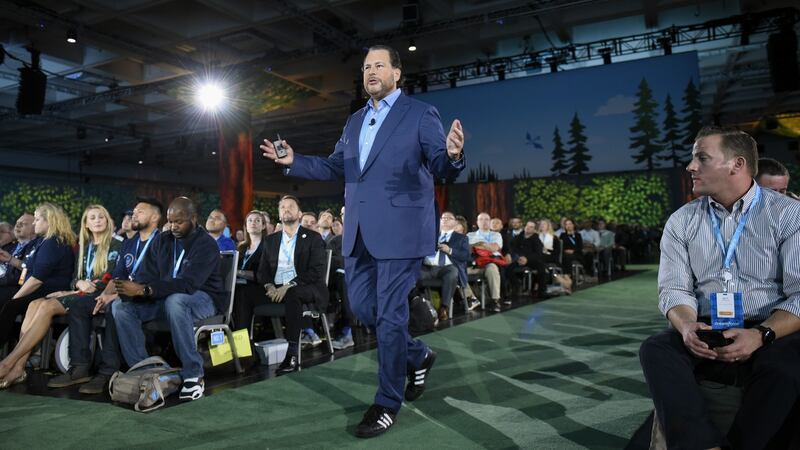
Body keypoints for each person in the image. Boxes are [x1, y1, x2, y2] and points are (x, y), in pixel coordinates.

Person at [260, 44, 465, 438]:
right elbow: (337, 166)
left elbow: (440, 163)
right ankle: (418, 355)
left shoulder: (421, 114)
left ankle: (387, 401)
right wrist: (295, 161)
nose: (371, 71)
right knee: (365, 310)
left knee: (389, 315)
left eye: (379, 65)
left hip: (401, 232)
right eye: (366, 66)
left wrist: (453, 155)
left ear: (396, 74)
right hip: (357, 233)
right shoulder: (354, 121)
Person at [639, 126, 800, 449]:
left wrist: (761, 335)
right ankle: (702, 444)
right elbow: (673, 289)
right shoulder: (681, 221)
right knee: (657, 350)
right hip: (707, 324)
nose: (690, 166)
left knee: (783, 367)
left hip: (772, 326)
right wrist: (686, 327)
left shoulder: (787, 214)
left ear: (736, 165)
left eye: (701, 157)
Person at [112, 197, 223, 401]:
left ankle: (193, 373)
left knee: (176, 300)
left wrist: (145, 290)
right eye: (170, 221)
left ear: (193, 218)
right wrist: (133, 289)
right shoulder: (163, 240)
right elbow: (146, 274)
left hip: (203, 299)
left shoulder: (205, 244)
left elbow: (188, 284)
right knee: (121, 307)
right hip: (165, 298)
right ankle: (145, 370)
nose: (173, 226)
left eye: (179, 222)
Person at [0, 205, 121, 391]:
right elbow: (75, 279)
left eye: (101, 217)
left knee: (46, 306)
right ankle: (18, 367)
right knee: (35, 303)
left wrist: (76, 290)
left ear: (107, 221)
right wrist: (77, 286)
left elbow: (115, 278)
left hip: (100, 296)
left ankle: (8, 362)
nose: (97, 220)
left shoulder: (117, 244)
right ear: (86, 224)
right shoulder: (85, 247)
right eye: (92, 218)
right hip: (79, 294)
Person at [65, 198, 163, 394]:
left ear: (155, 217)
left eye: (139, 212)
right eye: (133, 212)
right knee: (79, 306)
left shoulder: (164, 242)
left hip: (149, 299)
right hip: (124, 295)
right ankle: (79, 367)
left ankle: (108, 371)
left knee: (115, 307)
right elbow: (117, 276)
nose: (133, 215)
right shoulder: (130, 243)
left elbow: (164, 281)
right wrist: (105, 295)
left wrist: (115, 297)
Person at [0, 203, 76, 374]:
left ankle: (10, 361)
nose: (34, 223)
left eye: (37, 219)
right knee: (8, 301)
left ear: (50, 220)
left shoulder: (54, 241)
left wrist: (15, 298)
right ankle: (16, 365)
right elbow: (30, 267)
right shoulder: (44, 241)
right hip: (39, 288)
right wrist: (12, 260)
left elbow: (37, 279)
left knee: (9, 304)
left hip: (49, 291)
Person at [256, 196, 328, 373]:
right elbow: (262, 271)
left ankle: (292, 354)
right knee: (244, 293)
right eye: (282, 207)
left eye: (290, 207)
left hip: (306, 286)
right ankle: (244, 352)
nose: (286, 209)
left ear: (299, 213)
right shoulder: (270, 241)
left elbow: (315, 271)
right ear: (279, 214)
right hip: (276, 288)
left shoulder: (313, 238)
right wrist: (269, 286)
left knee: (292, 294)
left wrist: (288, 285)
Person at [418, 211, 472, 321]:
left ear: (455, 222)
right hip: (428, 267)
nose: (445, 219)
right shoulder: (431, 235)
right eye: (443, 218)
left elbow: (466, 256)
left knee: (452, 271)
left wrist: (450, 250)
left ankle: (444, 307)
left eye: (449, 218)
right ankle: (414, 305)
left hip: (447, 268)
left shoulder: (461, 238)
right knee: (410, 273)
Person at [232, 210, 267, 332]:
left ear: (263, 226)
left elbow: (263, 275)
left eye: (258, 220)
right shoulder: (241, 247)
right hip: (238, 286)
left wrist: (238, 273)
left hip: (260, 288)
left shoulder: (268, 246)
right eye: (250, 220)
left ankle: (241, 345)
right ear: (246, 226)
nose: (253, 223)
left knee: (241, 294)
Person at [467, 213, 504, 312]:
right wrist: (485, 245)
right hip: (472, 265)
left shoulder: (496, 235)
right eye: (481, 219)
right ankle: (471, 299)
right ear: (477, 222)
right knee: (458, 271)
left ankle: (496, 300)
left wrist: (476, 245)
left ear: (490, 222)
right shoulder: (469, 235)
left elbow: (494, 248)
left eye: (487, 219)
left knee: (492, 268)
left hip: (487, 264)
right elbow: (468, 249)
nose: (484, 222)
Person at [0, 213, 36, 288]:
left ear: (35, 228)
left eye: (24, 224)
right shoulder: (10, 247)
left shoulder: (35, 248)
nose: (17, 225)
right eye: (17, 223)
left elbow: (22, 279)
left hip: (13, 289)